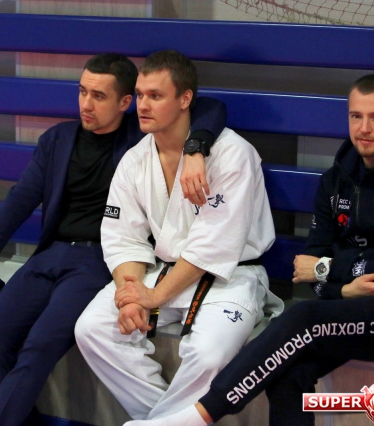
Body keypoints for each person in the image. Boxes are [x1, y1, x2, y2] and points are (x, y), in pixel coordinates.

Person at [123, 73, 374, 426]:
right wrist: (345, 289)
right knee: (288, 370)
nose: (364, 128)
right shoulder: (336, 179)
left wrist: (330, 269)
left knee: (303, 317)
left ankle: (200, 415)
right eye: (356, 116)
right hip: (349, 305)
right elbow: (307, 271)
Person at [0, 53, 227, 426]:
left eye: (98, 96)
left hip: (99, 261)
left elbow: (211, 107)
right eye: (82, 92)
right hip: (50, 255)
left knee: (41, 343)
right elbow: (20, 200)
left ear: (125, 102)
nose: (86, 104)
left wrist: (196, 148)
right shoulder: (58, 139)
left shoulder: (140, 138)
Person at [74, 50, 284, 422]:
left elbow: (212, 247)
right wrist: (131, 294)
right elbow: (123, 238)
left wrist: (154, 297)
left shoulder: (232, 155)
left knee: (208, 354)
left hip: (231, 277)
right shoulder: (135, 159)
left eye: (155, 96)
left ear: (185, 99)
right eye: (140, 95)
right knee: (92, 329)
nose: (142, 105)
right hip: (162, 272)